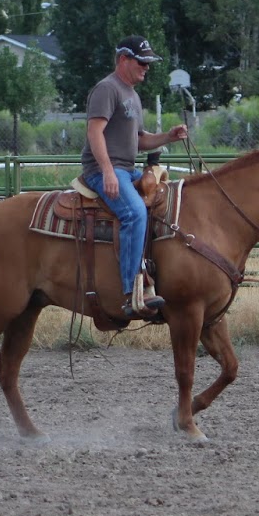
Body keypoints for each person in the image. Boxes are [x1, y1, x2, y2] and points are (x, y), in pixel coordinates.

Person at [82, 35, 189, 320]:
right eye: (141, 62)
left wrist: (168, 136)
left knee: (165, 205)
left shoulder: (132, 93)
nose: (146, 67)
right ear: (123, 60)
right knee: (135, 213)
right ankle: (132, 291)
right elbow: (94, 132)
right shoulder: (107, 89)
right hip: (105, 169)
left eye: (148, 62)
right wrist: (106, 172)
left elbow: (139, 140)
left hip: (127, 169)